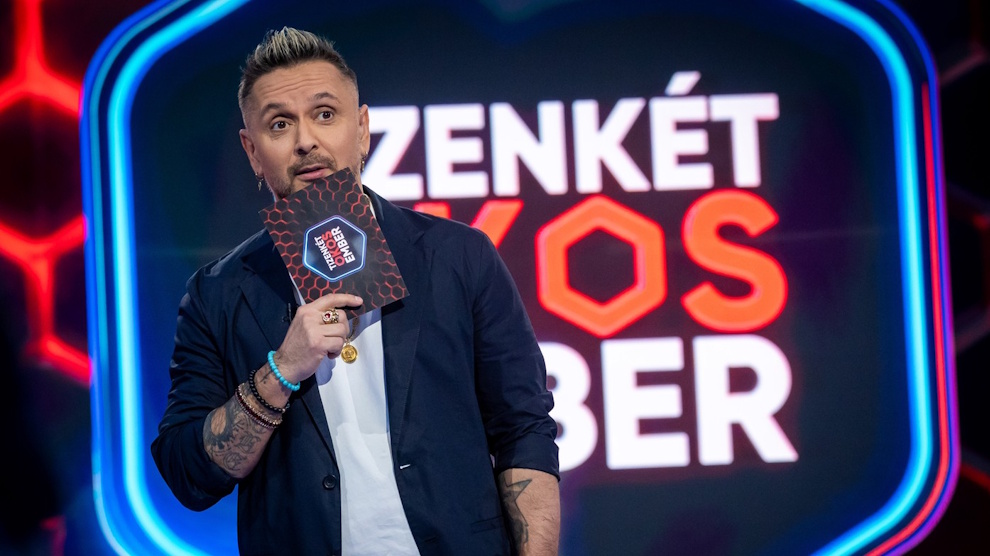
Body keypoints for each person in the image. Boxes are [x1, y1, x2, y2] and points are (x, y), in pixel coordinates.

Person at [151, 27, 560, 556]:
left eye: (325, 114)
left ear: (362, 129)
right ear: (252, 152)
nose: (305, 141)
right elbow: (188, 475)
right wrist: (281, 371)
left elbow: (523, 429)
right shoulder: (217, 294)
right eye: (280, 124)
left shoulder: (458, 255)